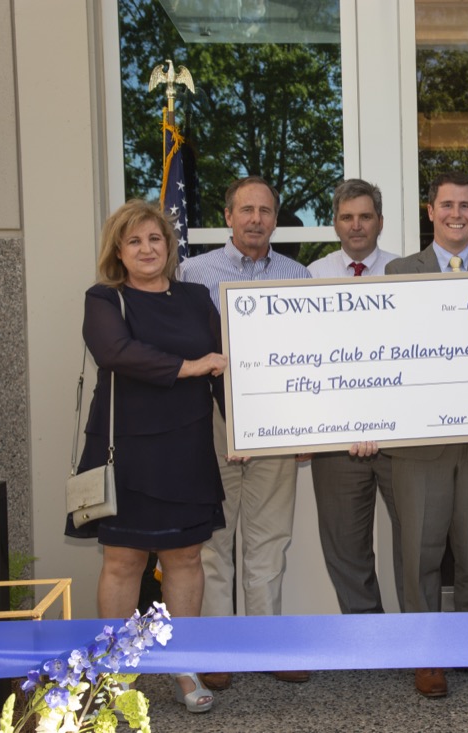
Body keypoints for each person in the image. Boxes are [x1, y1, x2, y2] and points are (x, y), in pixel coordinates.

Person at [66, 199, 226, 713]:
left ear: (168, 244)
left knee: (185, 559)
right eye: (134, 241)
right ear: (119, 250)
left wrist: (247, 433)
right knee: (123, 561)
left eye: (154, 239)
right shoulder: (105, 299)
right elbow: (117, 353)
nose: (146, 248)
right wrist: (191, 365)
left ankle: (184, 668)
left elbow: (223, 368)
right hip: (125, 449)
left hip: (187, 445)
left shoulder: (198, 296)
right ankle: (111, 680)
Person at [384, 172, 468, 698]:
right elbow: (381, 353)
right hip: (419, 446)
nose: (456, 214)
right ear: (430, 210)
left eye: (466, 205)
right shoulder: (398, 273)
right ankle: (426, 651)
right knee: (418, 550)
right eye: (447, 205)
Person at [179, 176, 312, 689]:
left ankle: (267, 644)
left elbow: (310, 358)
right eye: (246, 210)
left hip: (277, 427)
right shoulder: (191, 272)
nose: (256, 219)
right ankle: (215, 651)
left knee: (270, 541)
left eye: (265, 210)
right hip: (210, 425)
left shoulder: (298, 276)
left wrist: (306, 430)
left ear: (275, 219)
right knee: (213, 542)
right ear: (228, 215)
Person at [307, 179, 403, 614]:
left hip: (402, 433)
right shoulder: (312, 276)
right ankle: (371, 635)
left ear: (380, 222)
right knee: (345, 545)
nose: (356, 226)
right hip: (336, 436)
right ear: (334, 224)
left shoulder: (407, 272)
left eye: (365, 216)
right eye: (347, 217)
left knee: (416, 540)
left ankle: (419, 637)